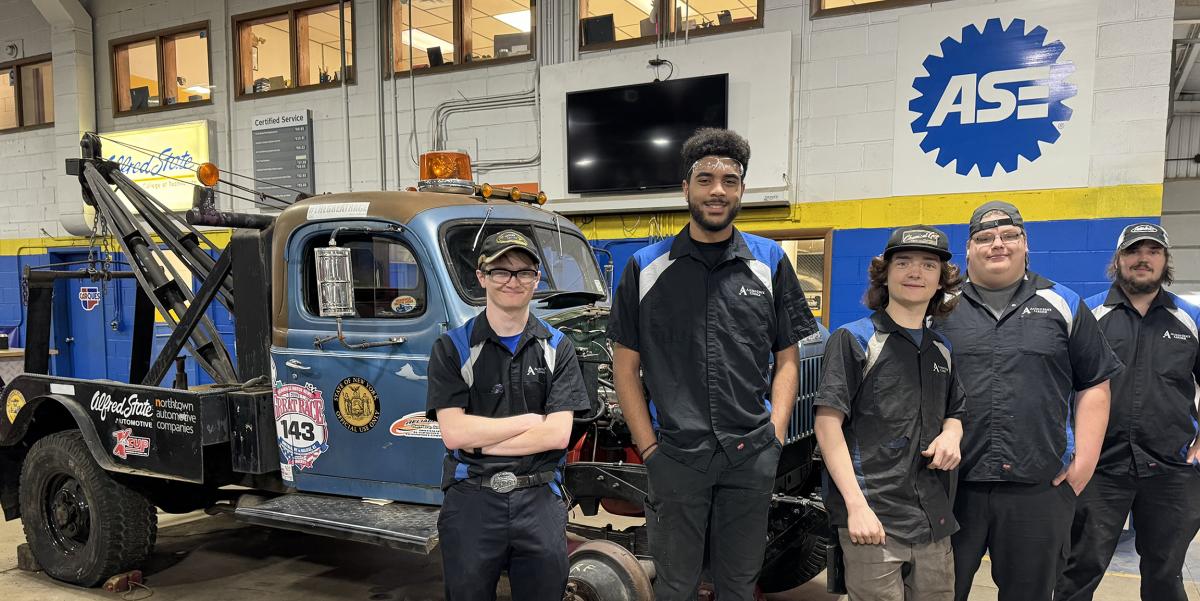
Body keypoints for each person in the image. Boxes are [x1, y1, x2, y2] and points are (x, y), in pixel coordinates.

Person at [607, 127, 817, 600]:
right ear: (686, 188)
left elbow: (787, 359)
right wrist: (649, 450)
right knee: (676, 585)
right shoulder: (645, 268)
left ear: (742, 190)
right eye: (705, 179)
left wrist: (775, 438)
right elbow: (625, 368)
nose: (717, 190)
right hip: (676, 458)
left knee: (740, 584)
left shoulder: (769, 263)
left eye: (729, 179)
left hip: (750, 456)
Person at [931, 201, 1122, 601]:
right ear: (968, 250)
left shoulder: (1063, 304)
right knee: (938, 593)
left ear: (1025, 243)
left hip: (1038, 488)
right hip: (949, 486)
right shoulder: (939, 308)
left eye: (1009, 235)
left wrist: (1084, 464)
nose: (997, 244)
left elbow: (1094, 385)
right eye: (984, 238)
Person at [426, 229, 591, 601]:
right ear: (482, 277)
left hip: (539, 499)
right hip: (472, 501)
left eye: (524, 272)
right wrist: (530, 422)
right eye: (501, 271)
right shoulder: (451, 348)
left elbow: (557, 436)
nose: (512, 281)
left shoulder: (558, 347)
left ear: (536, 280)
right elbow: (454, 435)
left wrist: (482, 439)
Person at [815, 225, 965, 601]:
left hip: (932, 517)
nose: (916, 272)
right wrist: (855, 506)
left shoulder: (941, 348)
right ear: (886, 273)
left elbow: (956, 410)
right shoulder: (855, 340)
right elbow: (827, 424)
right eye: (904, 262)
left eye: (929, 265)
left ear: (940, 282)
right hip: (873, 518)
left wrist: (952, 433)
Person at [1056, 223, 1200, 601]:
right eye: (1134, 251)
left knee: (1165, 574)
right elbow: (1060, 387)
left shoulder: (1190, 319)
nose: (1143, 259)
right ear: (1118, 260)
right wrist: (1072, 449)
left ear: (1165, 261)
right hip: (1101, 469)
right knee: (1078, 570)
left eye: (1153, 251)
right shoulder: (1090, 316)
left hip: (1173, 470)